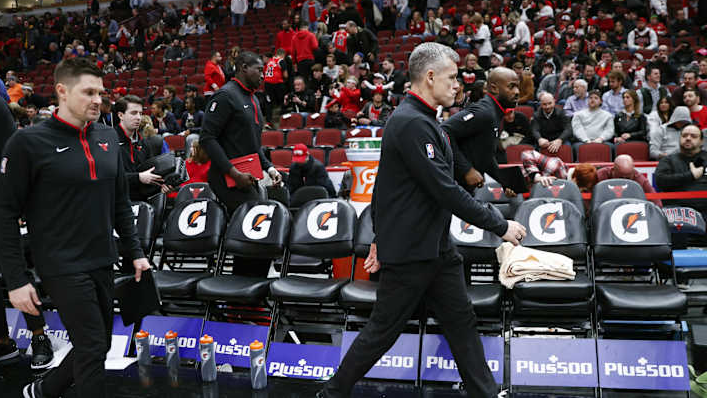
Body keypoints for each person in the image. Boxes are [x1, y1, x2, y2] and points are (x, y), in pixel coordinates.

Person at [317, 42, 524, 398]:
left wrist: (379, 235)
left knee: (461, 321)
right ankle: (331, 394)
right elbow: (445, 190)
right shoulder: (411, 122)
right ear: (430, 76)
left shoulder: (426, 121)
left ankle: (485, 393)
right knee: (382, 331)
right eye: (452, 77)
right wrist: (500, 225)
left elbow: (384, 186)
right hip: (412, 251)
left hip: (437, 247)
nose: (457, 85)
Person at [0, 58, 149, 398]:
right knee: (92, 346)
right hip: (60, 264)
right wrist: (16, 280)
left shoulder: (107, 136)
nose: (97, 100)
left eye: (101, 93)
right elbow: (4, 214)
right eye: (88, 92)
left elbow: (120, 202)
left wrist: (135, 251)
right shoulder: (27, 143)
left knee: (98, 342)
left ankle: (44, 390)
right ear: (62, 91)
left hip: (103, 259)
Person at [0, 88, 55, 371]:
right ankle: (0, 341)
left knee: (13, 268)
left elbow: (11, 156)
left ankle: (40, 336)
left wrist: (9, 206)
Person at [200, 51, 282, 277]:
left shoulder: (253, 99)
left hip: (246, 176)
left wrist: (269, 168)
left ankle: (250, 286)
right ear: (243, 67)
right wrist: (233, 172)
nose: (263, 75)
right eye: (259, 70)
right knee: (257, 228)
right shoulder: (225, 95)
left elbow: (253, 145)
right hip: (226, 177)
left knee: (258, 231)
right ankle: (244, 286)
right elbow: (207, 138)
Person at [441, 66, 521, 195]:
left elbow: (486, 155)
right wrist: (467, 170)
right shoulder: (484, 112)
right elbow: (443, 131)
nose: (517, 92)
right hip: (449, 186)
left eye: (517, 86)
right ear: (494, 88)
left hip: (462, 189)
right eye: (511, 87)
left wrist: (504, 182)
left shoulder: (496, 113)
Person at [115, 95, 168, 201]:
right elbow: (109, 177)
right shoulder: (109, 141)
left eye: (140, 113)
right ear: (121, 115)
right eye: (134, 113)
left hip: (142, 203)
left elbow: (147, 174)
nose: (139, 117)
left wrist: (160, 185)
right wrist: (138, 177)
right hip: (117, 202)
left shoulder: (143, 143)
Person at [654, 125, 707, 218]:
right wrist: (691, 176)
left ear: (701, 141)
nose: (688, 138)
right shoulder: (668, 160)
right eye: (684, 135)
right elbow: (660, 181)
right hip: (675, 213)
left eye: (693, 136)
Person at [597, 154, 662, 206]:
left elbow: (657, 203)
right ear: (613, 170)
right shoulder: (601, 175)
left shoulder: (640, 179)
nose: (624, 180)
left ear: (633, 171)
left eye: (627, 178)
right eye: (621, 177)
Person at [571, 90, 615, 157]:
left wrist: (600, 139)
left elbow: (609, 130)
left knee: (610, 146)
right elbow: (577, 129)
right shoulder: (578, 114)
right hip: (582, 142)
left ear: (601, 101)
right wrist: (586, 140)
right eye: (590, 98)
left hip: (601, 141)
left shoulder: (608, 115)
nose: (592, 100)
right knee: (576, 147)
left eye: (596, 98)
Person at [264, 48, 289, 120]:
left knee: (269, 102)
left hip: (267, 83)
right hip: (277, 83)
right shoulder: (281, 61)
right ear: (283, 55)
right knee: (283, 99)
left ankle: (268, 121)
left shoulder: (269, 61)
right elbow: (285, 75)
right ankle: (284, 118)